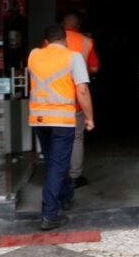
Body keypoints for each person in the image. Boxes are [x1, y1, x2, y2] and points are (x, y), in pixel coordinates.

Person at [28, 24, 95, 230]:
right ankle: (49, 214)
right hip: (62, 120)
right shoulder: (73, 57)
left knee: (54, 162)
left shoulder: (34, 54)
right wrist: (89, 117)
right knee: (58, 165)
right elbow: (82, 90)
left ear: (46, 41)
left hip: (39, 119)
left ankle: (65, 195)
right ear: (65, 40)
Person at [63, 11, 100, 188]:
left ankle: (57, 175)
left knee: (56, 139)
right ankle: (75, 177)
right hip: (76, 98)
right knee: (76, 138)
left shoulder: (50, 42)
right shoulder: (87, 42)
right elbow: (94, 68)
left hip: (53, 100)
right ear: (78, 26)